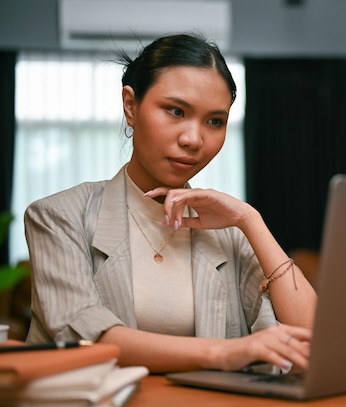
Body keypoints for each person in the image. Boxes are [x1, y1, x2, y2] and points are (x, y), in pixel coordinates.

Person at [23, 34, 317, 374]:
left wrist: (249, 219)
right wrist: (223, 353)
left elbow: (310, 339)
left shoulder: (228, 231)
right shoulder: (58, 216)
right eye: (175, 111)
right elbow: (88, 337)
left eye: (214, 122)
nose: (193, 139)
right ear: (131, 106)